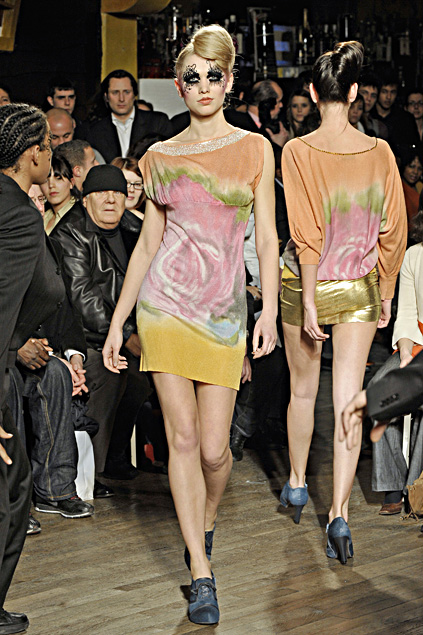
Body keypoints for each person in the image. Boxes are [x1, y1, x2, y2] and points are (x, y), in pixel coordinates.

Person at [102, 24, 279, 625]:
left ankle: (203, 524)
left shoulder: (255, 149)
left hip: (225, 315)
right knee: (181, 440)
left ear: (229, 82)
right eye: (192, 77)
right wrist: (118, 323)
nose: (203, 86)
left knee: (214, 451)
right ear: (179, 86)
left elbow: (268, 238)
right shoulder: (160, 156)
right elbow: (148, 244)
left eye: (214, 75)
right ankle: (202, 575)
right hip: (166, 309)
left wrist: (269, 310)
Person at [279, 41, 407, 565]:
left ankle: (296, 482)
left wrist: (310, 299)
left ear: (313, 93)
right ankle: (340, 515)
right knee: (349, 400)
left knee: (302, 391)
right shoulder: (381, 152)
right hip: (358, 285)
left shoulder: (297, 151)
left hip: (302, 283)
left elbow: (305, 234)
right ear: (355, 93)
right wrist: (387, 292)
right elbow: (393, 231)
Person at [51, 165, 151, 484]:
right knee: (113, 373)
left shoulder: (135, 229)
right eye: (101, 193)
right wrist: (127, 336)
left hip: (125, 332)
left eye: (117, 193)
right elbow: (83, 299)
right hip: (82, 339)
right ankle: (91, 470)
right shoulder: (70, 234)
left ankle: (118, 455)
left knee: (146, 379)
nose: (110, 199)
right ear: (85, 200)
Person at [0, 103, 55, 634]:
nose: (51, 154)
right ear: (31, 153)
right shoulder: (18, 214)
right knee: (11, 493)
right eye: (48, 145)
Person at [85, 69, 172, 163]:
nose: (121, 98)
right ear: (106, 96)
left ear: (134, 94)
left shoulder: (157, 122)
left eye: (126, 92)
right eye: (115, 92)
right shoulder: (94, 131)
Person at [41, 152, 84, 234]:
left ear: (71, 183)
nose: (51, 185)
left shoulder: (80, 215)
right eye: (45, 180)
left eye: (58, 178)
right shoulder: (43, 215)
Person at [399, 147, 423, 228]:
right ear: (404, 167)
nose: (415, 172)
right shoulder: (398, 188)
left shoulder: (420, 187)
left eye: (419, 168)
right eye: (412, 166)